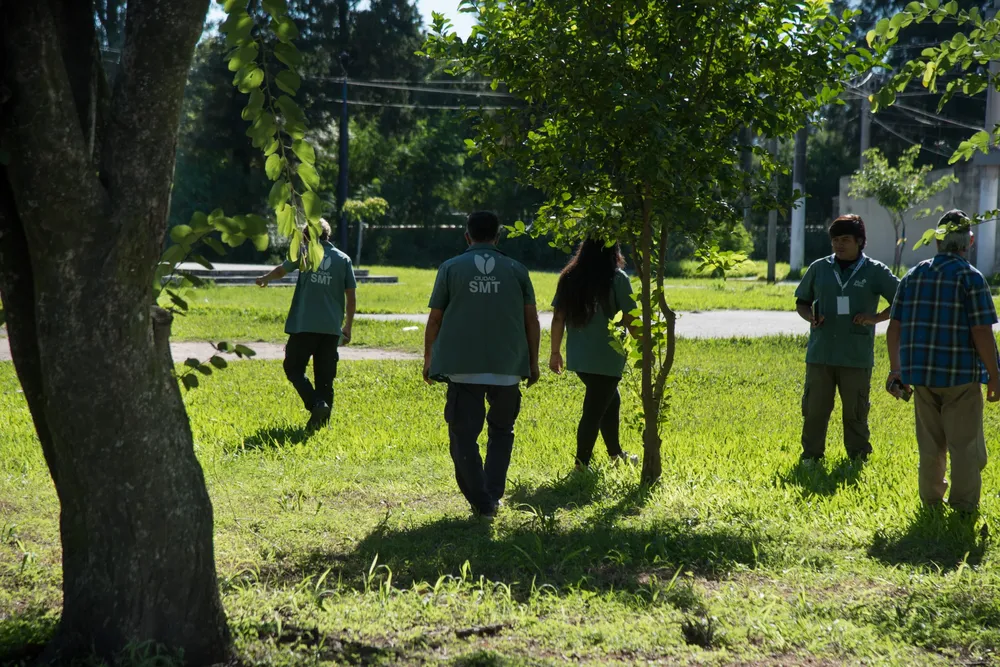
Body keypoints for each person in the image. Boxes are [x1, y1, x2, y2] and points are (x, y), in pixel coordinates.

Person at [424, 211, 541, 520]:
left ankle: (482, 501)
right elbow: (532, 320)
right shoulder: (517, 270)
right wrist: (533, 362)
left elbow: (435, 318)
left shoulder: (450, 268)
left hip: (463, 367)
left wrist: (428, 359)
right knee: (502, 432)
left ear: (467, 237)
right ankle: (492, 493)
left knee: (463, 436)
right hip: (508, 366)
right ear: (498, 237)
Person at [886, 210, 999, 514]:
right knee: (964, 446)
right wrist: (995, 374)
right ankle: (963, 508)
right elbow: (981, 332)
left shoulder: (913, 275)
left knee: (931, 446)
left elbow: (893, 328)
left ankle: (932, 503)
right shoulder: (971, 278)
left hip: (921, 377)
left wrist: (896, 370)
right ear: (970, 241)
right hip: (960, 378)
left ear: (936, 242)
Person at [794, 214, 900, 464]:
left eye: (845, 239)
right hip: (821, 354)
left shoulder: (875, 271)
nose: (838, 245)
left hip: (856, 355)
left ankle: (858, 456)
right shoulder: (819, 268)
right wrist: (810, 317)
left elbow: (901, 300)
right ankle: (811, 457)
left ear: (860, 241)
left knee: (856, 411)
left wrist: (875, 318)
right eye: (834, 240)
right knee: (815, 410)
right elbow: (801, 302)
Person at [256, 219, 357, 430]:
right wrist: (347, 326)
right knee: (325, 377)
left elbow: (281, 271)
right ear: (327, 234)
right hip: (331, 328)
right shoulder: (343, 259)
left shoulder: (304, 253)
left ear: (306, 235)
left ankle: (316, 404)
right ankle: (321, 423)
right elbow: (351, 296)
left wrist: (265, 278)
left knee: (293, 367)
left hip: (305, 325)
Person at [549, 239, 639, 470]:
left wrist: (555, 352)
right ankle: (581, 464)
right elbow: (630, 319)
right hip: (608, 356)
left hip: (580, 357)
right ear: (614, 251)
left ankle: (615, 455)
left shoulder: (569, 277)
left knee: (611, 401)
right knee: (594, 411)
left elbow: (558, 317)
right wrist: (646, 346)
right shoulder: (617, 279)